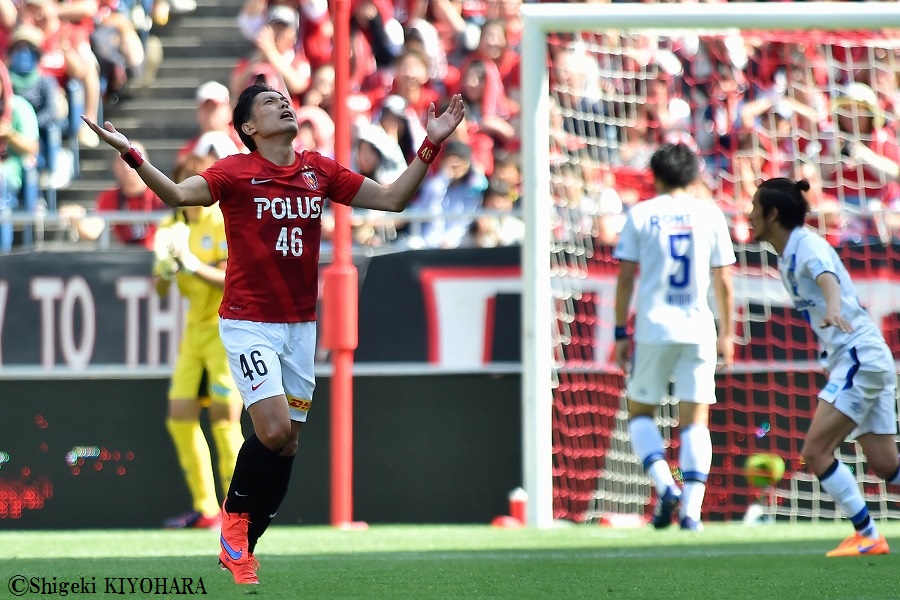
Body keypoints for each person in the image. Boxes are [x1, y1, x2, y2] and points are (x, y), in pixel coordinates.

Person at [81, 84, 465, 585]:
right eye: (268, 103)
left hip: (300, 326)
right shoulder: (234, 174)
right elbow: (176, 194)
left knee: (288, 447)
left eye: (284, 98)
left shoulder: (318, 168)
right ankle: (232, 522)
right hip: (248, 321)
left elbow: (393, 198)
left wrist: (430, 145)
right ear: (248, 128)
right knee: (274, 430)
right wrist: (132, 154)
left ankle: (244, 544)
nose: (283, 103)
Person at [748, 177, 897, 558]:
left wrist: (833, 307)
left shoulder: (807, 246)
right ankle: (867, 534)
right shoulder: (788, 255)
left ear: (773, 213)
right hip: (862, 357)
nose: (749, 216)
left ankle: (866, 534)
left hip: (858, 356)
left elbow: (827, 279)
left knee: (814, 453)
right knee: (884, 464)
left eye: (754, 208)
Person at [612, 142, 735, 531]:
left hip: (653, 327)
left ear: (656, 175)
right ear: (694, 174)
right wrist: (727, 333)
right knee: (696, 421)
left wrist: (618, 331)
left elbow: (625, 278)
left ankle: (667, 486)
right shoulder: (709, 214)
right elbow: (725, 280)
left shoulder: (641, 215)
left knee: (640, 413)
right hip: (698, 327)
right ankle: (693, 513)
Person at [154, 152, 245, 531]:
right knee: (180, 418)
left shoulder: (222, 221)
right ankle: (207, 509)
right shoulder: (169, 226)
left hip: (226, 328)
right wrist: (166, 269)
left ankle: (242, 507)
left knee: (225, 421)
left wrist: (192, 264)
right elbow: (159, 290)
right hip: (194, 332)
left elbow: (231, 278)